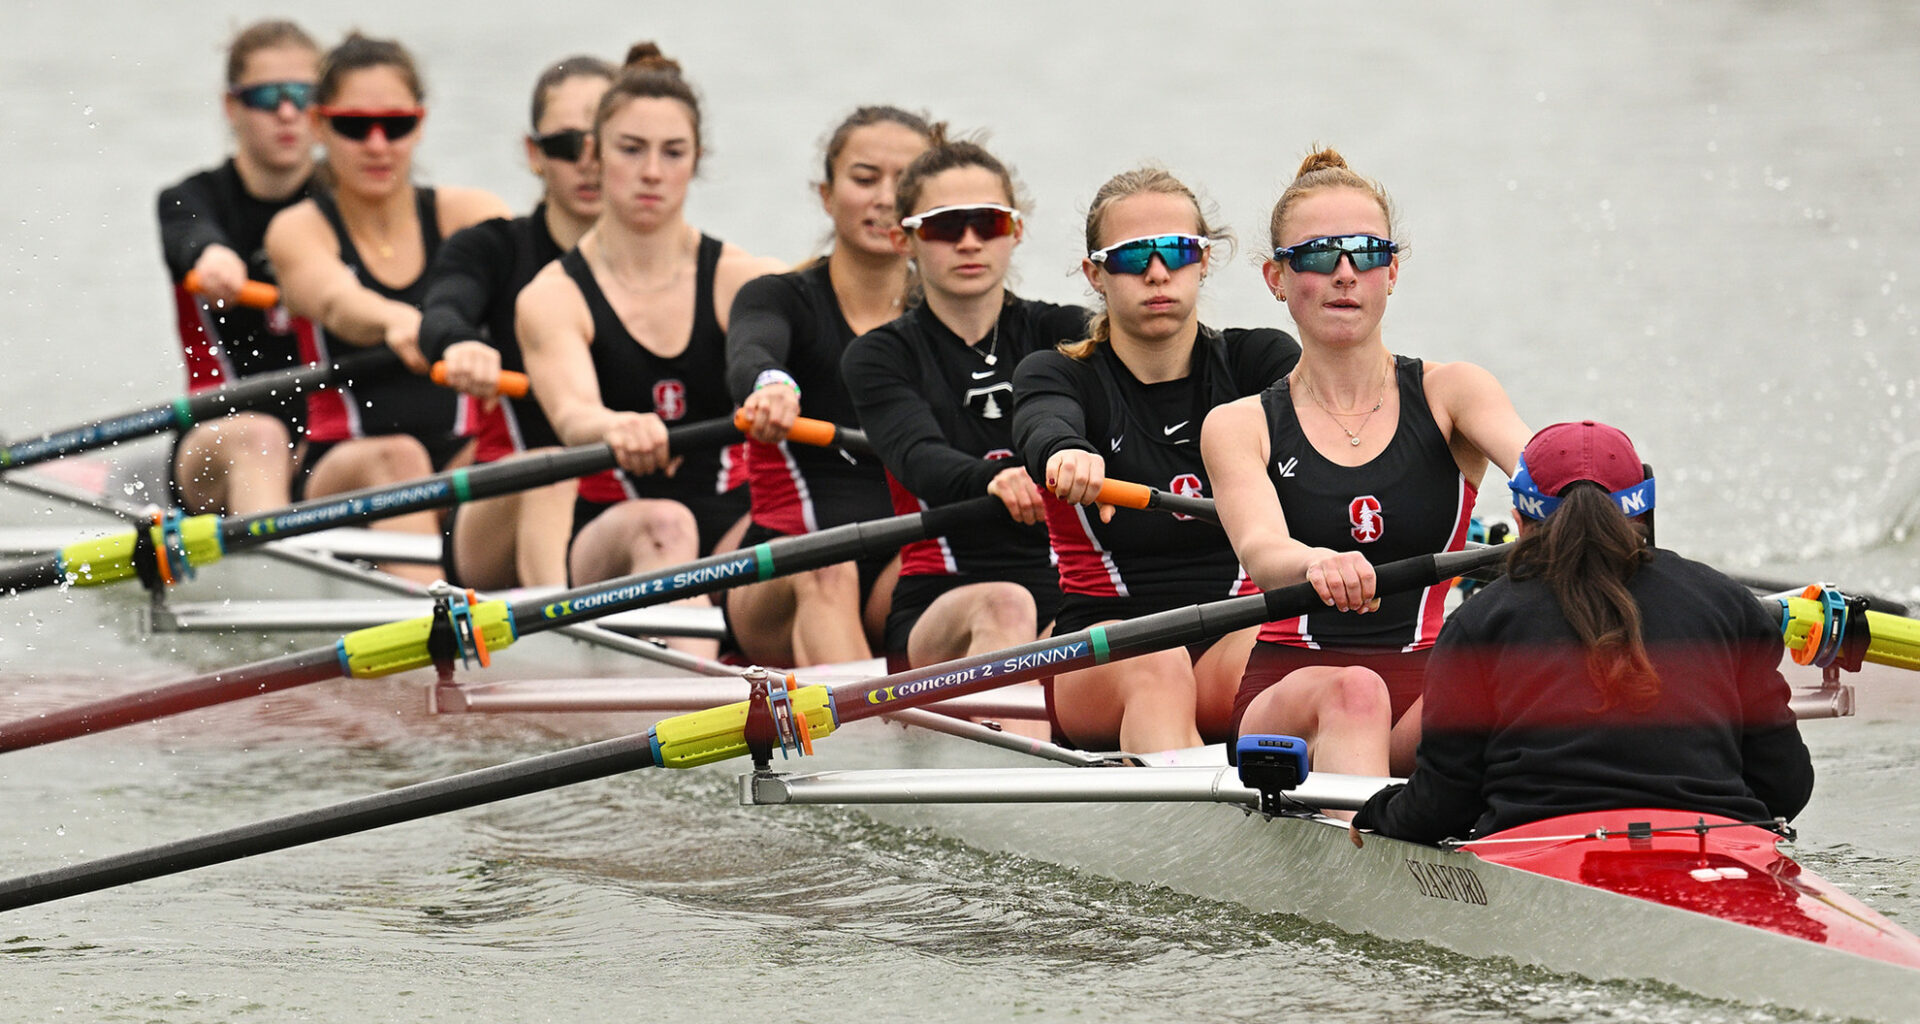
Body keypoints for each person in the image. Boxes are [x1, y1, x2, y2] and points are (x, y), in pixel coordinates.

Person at [1201, 147, 1531, 788]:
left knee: (1524, 667)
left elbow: (1544, 469)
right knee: (1355, 694)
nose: (1346, 274)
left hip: (1421, 691)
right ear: (1276, 277)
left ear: (1393, 272)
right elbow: (1264, 549)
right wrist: (1314, 563)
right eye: (1320, 255)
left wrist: (1582, 500)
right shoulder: (1240, 424)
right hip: (1291, 688)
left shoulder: (1454, 392)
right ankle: (1369, 865)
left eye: (1368, 253)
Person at [1353, 420, 1815, 841]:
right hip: (1721, 845)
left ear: (1520, 517)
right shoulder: (1728, 605)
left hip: (1538, 847)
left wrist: (1375, 814)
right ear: (1643, 515)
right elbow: (1786, 787)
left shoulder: (1480, 624)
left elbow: (1443, 807)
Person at [1013, 168, 1300, 753]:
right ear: (1094, 272)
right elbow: (1044, 420)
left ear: (1204, 260)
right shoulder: (1059, 373)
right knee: (1160, 664)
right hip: (1100, 653)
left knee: (1313, 663)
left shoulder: (1258, 362)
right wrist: (1066, 452)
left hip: (1229, 638)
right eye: (1131, 256)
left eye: (1177, 250)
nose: (1157, 272)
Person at [517, 43, 782, 656]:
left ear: (696, 162)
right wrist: (616, 425)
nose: (653, 172)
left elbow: (771, 359)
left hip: (730, 530)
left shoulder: (743, 279)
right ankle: (701, 725)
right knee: (667, 525)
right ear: (594, 155)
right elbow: (572, 413)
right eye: (631, 150)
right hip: (612, 531)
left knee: (811, 544)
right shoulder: (553, 296)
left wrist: (777, 387)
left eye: (673, 153)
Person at [265, 32, 511, 584]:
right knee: (397, 457)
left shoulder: (469, 215)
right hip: (342, 468)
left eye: (396, 125)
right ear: (319, 125)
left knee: (529, 459)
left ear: (419, 124)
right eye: (355, 127)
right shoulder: (298, 228)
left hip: (455, 463)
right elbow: (336, 300)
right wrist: (400, 321)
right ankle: (437, 621)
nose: (378, 145)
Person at [842, 130, 1081, 669]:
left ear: (1015, 231)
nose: (970, 241)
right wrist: (991, 479)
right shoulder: (879, 355)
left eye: (989, 222)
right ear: (905, 240)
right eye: (946, 226)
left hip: (1070, 589)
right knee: (1006, 604)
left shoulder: (1069, 334)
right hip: (942, 599)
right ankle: (1008, 743)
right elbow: (917, 456)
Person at [724, 106, 932, 667]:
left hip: (903, 567)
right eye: (864, 179)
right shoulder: (779, 297)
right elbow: (753, 350)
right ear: (826, 194)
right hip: (783, 571)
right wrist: (770, 386)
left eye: (904, 183)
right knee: (827, 564)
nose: (884, 198)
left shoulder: (949, 319)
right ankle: (862, 751)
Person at [420, 54, 615, 589]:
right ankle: (557, 640)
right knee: (552, 467)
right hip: (501, 509)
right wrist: (459, 342)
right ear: (534, 154)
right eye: (567, 145)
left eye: (607, 144)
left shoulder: (682, 271)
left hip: (624, 510)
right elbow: (442, 312)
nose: (589, 163)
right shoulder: (491, 248)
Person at [159, 20, 320, 516]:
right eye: (268, 97)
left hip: (327, 438)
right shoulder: (191, 199)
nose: (288, 113)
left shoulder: (346, 205)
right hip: (222, 432)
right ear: (232, 107)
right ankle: (275, 584)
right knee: (262, 438)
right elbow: (192, 234)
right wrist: (212, 257)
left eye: (303, 94)